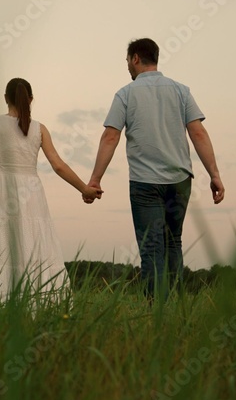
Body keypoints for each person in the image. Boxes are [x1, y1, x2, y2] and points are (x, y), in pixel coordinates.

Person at [86, 38, 225, 302]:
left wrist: (95, 179)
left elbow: (110, 137)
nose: (127, 66)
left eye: (128, 60)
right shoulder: (181, 91)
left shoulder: (126, 93)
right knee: (173, 242)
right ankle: (175, 308)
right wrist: (214, 174)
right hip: (180, 181)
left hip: (144, 183)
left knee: (152, 248)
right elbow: (198, 133)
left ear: (136, 58)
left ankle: (156, 312)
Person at [0, 78, 101, 300]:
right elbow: (58, 165)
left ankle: (2, 299)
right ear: (31, 99)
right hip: (31, 191)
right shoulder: (40, 129)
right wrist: (84, 188)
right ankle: (38, 298)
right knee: (35, 241)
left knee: (2, 242)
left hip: (2, 188)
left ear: (5, 99)